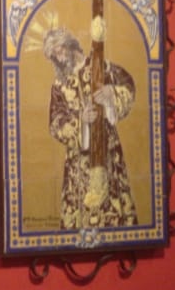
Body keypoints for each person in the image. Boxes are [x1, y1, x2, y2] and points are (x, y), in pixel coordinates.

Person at [40, 24, 138, 230]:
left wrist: (111, 92)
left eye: (59, 51)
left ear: (69, 44)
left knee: (113, 210)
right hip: (78, 164)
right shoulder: (59, 86)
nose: (59, 58)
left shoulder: (100, 66)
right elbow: (56, 121)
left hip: (107, 152)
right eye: (54, 56)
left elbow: (128, 84)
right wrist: (81, 121)